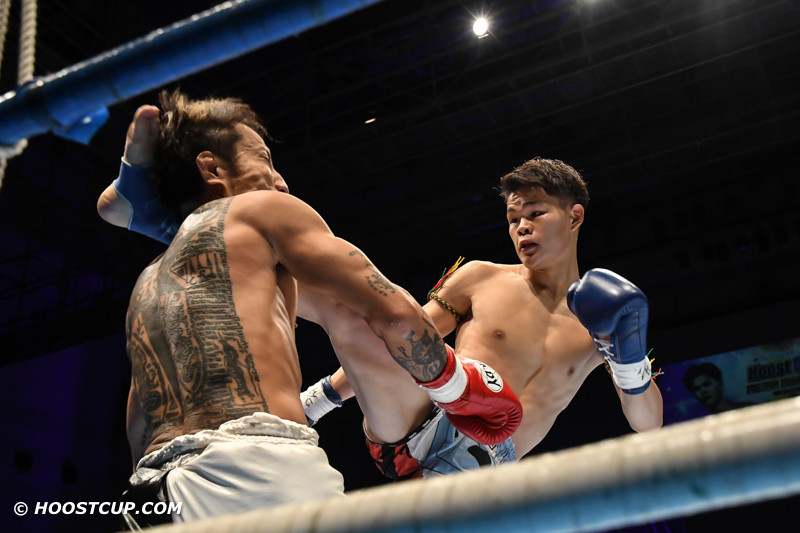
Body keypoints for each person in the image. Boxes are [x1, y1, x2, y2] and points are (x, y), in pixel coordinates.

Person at [103, 91, 522, 527]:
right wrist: (456, 386)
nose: (281, 182)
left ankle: (142, 203)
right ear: (211, 168)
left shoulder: (148, 283)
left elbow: (137, 424)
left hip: (147, 498)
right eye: (264, 159)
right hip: (254, 471)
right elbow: (393, 316)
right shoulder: (262, 210)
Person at [301, 157, 664, 478]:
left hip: (485, 464)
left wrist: (629, 360)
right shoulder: (481, 277)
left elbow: (648, 424)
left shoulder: (598, 323)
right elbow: (402, 341)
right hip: (424, 411)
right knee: (364, 314)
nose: (522, 227)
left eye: (536, 214)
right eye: (513, 219)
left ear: (574, 216)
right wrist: (316, 404)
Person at [682, 362, 753, 414]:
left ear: (720, 383)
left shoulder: (749, 409)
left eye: (706, 384)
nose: (703, 391)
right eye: (697, 389)